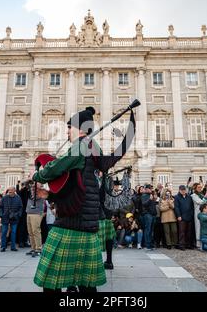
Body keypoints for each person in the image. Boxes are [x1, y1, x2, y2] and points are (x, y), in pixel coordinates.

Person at [32, 105, 134, 292]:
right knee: (86, 282)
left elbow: (56, 168)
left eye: (69, 127)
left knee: (50, 281)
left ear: (79, 128)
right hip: (87, 223)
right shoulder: (93, 147)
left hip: (70, 221)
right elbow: (77, 183)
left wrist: (38, 174)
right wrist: (52, 194)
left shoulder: (80, 146)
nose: (67, 131)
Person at [0, 186, 23, 252]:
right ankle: (3, 246)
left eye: (11, 191)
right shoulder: (4, 198)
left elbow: (21, 208)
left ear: (14, 191)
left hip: (14, 218)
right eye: (9, 191)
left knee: (14, 232)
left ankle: (13, 247)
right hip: (5, 217)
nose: (10, 192)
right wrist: (1, 215)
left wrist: (18, 215)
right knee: (4, 232)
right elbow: (0, 207)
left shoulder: (18, 198)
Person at [26, 183, 45, 257]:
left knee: (36, 231)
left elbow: (36, 198)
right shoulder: (31, 192)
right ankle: (33, 248)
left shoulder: (41, 192)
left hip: (36, 214)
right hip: (29, 213)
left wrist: (36, 189)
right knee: (30, 232)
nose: (33, 187)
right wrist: (29, 183)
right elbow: (25, 185)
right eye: (33, 186)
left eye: (35, 186)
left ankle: (38, 249)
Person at [174, 185, 195, 250]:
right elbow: (176, 207)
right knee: (182, 232)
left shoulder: (189, 197)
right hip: (182, 217)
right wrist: (179, 215)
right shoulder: (177, 197)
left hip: (189, 216)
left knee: (189, 232)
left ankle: (188, 244)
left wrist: (191, 214)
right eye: (182, 190)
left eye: (184, 190)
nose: (183, 191)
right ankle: (181, 245)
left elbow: (192, 206)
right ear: (179, 190)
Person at [191, 182, 207, 248]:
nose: (200, 188)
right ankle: (198, 243)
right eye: (198, 187)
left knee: (203, 227)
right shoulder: (193, 195)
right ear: (195, 188)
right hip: (197, 212)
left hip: (204, 212)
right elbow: (200, 202)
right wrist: (205, 197)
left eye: (201, 187)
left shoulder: (201, 194)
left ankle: (203, 241)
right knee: (198, 227)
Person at [140, 184, 156, 250]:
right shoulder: (144, 195)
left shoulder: (151, 195)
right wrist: (150, 199)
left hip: (152, 214)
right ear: (146, 189)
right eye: (150, 188)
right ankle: (147, 245)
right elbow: (144, 204)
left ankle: (151, 244)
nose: (151, 189)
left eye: (151, 188)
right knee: (148, 230)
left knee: (151, 230)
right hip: (147, 215)